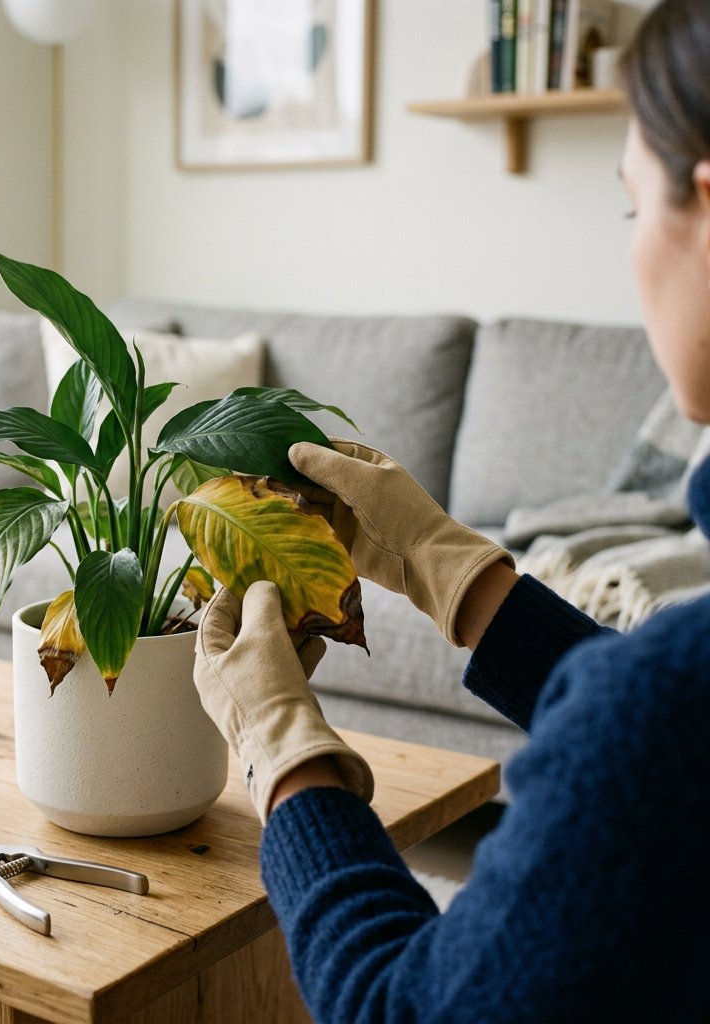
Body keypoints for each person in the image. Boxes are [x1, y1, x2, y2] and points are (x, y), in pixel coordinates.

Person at [192, 1, 710, 1020]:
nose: (632, 251)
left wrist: (280, 743)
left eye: (629, 207)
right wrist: (449, 566)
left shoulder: (654, 718)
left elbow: (399, 1005)